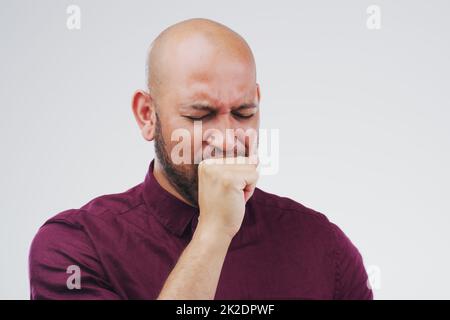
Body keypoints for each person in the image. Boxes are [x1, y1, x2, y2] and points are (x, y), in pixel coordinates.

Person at [29, 18, 373, 300]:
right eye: (200, 114)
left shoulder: (322, 245)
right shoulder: (74, 247)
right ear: (147, 114)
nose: (226, 138)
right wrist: (213, 231)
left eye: (243, 112)